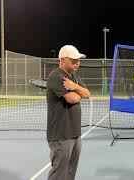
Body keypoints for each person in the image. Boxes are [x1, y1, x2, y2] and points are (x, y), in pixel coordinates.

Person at [46, 45, 91, 180]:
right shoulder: (56, 76)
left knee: (70, 173)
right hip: (61, 135)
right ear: (63, 60)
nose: (78, 63)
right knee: (59, 174)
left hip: (75, 133)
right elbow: (72, 98)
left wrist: (75, 87)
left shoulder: (74, 77)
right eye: (74, 60)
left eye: (78, 60)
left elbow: (87, 94)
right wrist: (78, 93)